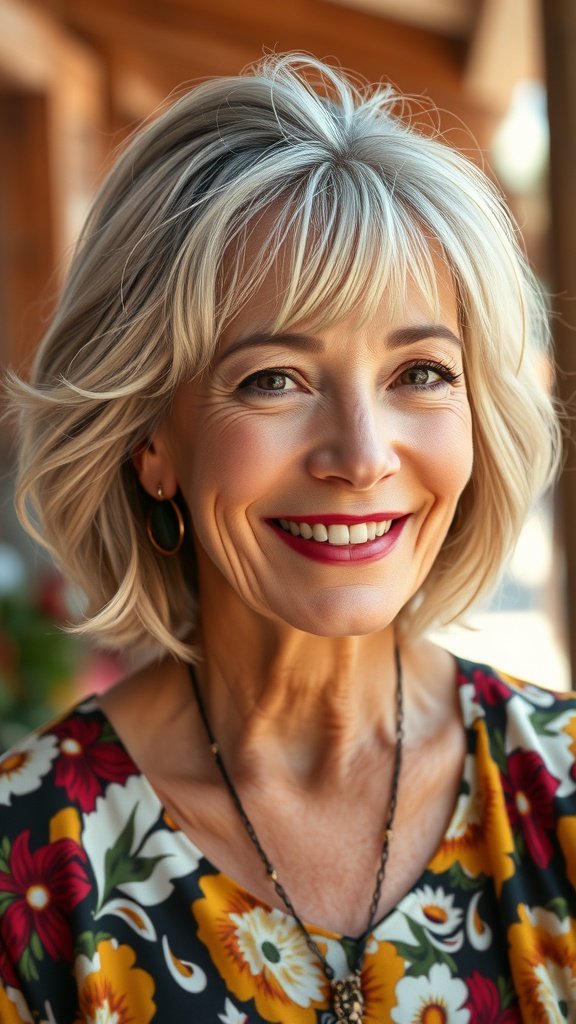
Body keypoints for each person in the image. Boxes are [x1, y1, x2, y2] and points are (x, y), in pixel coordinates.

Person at [1, 52, 575, 1024]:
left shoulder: (559, 787)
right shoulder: (28, 865)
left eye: (422, 373)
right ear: (149, 440)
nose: (361, 455)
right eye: (274, 378)